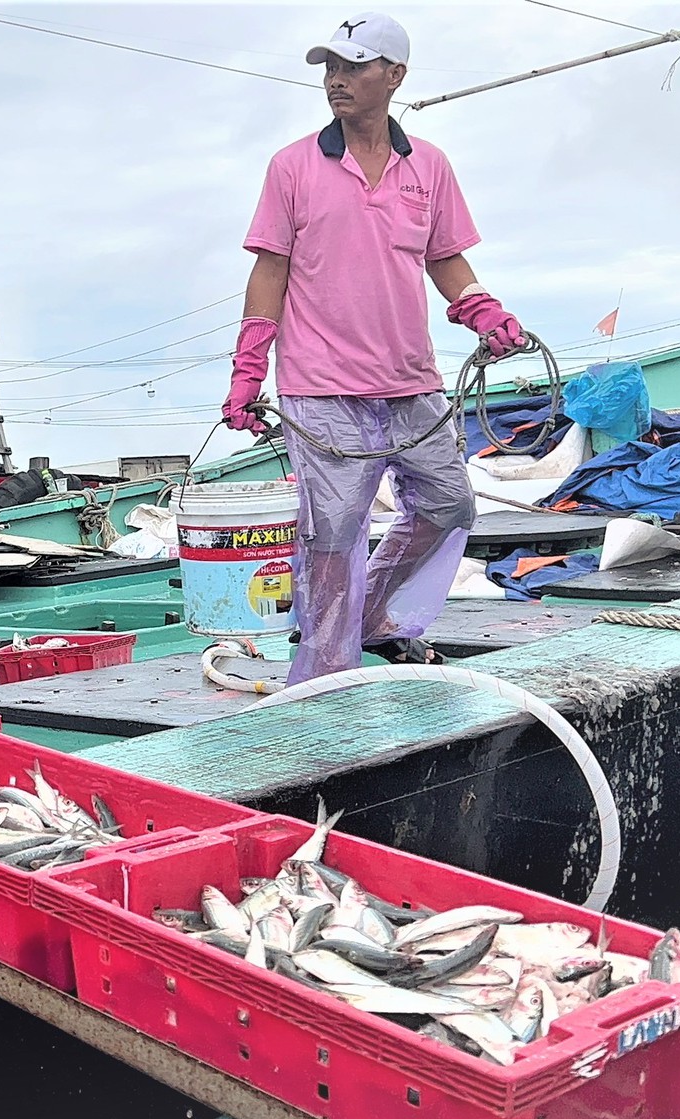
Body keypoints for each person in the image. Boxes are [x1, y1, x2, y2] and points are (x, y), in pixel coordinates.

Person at [224, 12, 525, 685]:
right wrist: (249, 368)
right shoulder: (293, 166)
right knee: (331, 535)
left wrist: (483, 311)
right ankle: (328, 672)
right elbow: (268, 270)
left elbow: (445, 257)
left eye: (354, 66)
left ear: (395, 76)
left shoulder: (430, 168)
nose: (337, 80)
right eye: (330, 67)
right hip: (320, 384)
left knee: (451, 505)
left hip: (411, 380)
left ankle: (371, 615)